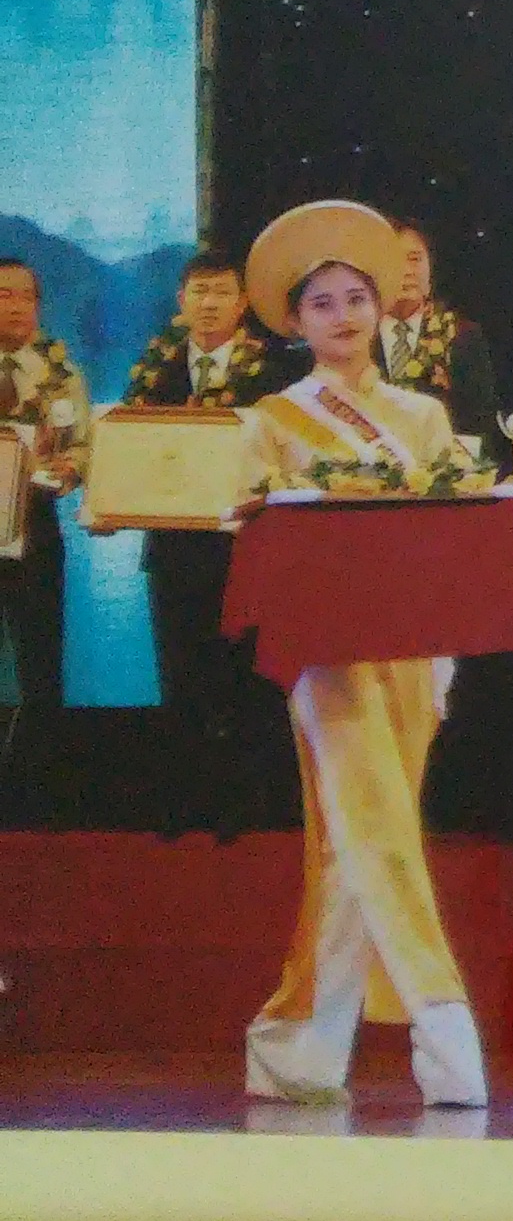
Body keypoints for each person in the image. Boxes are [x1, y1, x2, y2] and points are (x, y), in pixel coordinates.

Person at [233, 201, 490, 1105]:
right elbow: (252, 533)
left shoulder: (424, 416)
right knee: (376, 825)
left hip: (415, 649)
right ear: (295, 322)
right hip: (324, 653)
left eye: (356, 299)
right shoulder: (271, 421)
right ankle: (447, 1038)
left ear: (381, 308)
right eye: (322, 304)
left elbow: (454, 544)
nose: (342, 316)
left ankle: (297, 1047)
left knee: (359, 843)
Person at [123, 251, 289, 839]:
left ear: (243, 304)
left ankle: (238, 806)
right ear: (181, 301)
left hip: (243, 549)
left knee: (240, 676)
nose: (209, 303)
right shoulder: (156, 366)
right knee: (179, 673)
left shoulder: (271, 373)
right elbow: (131, 449)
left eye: (221, 292)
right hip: (172, 548)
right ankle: (180, 800)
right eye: (199, 291)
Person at [0, 259, 88, 740]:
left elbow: (81, 444)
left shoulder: (60, 371)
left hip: (35, 526)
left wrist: (71, 467)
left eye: (27, 297)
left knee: (40, 654)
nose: (17, 307)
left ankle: (43, 758)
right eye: (4, 295)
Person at [375, 221, 503, 449]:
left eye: (415, 259)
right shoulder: (356, 338)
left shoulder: (462, 336)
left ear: (430, 268)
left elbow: (480, 422)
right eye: (393, 261)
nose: (407, 271)